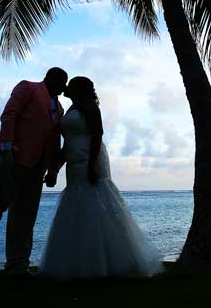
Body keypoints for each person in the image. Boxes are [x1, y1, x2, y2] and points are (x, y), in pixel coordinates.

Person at [39, 76, 163, 279]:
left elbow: (97, 135)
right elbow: (67, 144)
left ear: (78, 89)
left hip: (92, 159)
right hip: (74, 163)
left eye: (71, 85)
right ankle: (78, 264)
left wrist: (92, 166)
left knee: (98, 205)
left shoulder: (89, 107)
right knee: (78, 209)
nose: (66, 86)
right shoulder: (69, 110)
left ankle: (109, 263)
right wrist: (55, 169)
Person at [0, 67, 67, 280]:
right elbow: (9, 114)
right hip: (13, 159)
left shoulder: (59, 108)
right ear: (51, 78)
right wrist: (7, 146)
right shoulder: (28, 87)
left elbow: (54, 142)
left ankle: (18, 266)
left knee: (25, 218)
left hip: (36, 168)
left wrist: (53, 170)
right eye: (61, 82)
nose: (62, 88)